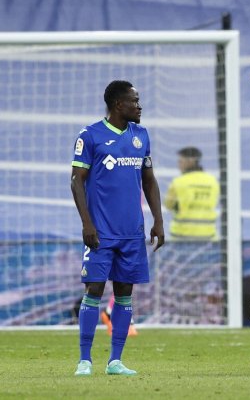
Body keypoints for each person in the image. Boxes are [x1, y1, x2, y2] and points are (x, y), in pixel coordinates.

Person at [70, 80, 165, 376]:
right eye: (134, 101)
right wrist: (87, 223)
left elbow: (148, 179)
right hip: (100, 232)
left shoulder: (141, 135)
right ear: (118, 105)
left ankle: (115, 361)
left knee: (125, 294)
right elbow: (76, 180)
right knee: (94, 290)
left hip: (132, 232)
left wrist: (158, 220)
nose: (139, 106)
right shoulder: (90, 135)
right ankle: (85, 360)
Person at [164, 147, 220, 241]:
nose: (179, 165)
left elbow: (168, 205)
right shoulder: (213, 181)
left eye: (180, 161)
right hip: (209, 237)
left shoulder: (178, 182)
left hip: (181, 237)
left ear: (190, 161)